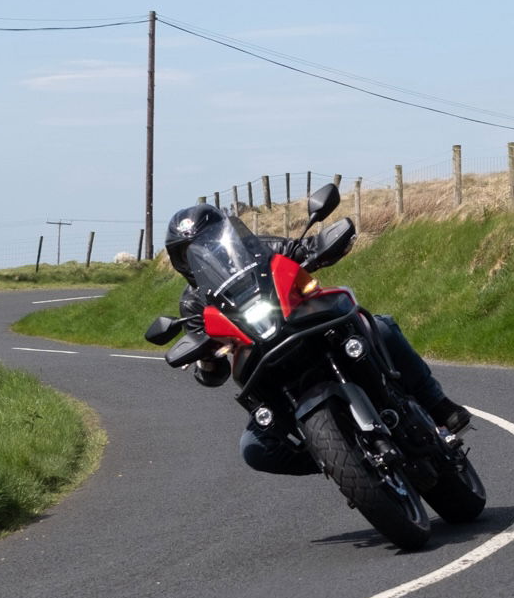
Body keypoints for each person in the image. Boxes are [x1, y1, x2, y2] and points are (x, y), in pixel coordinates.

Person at [164, 202, 470, 476]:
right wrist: (205, 357)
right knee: (254, 447)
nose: (205, 252)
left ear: (226, 234)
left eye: (210, 241)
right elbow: (213, 373)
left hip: (308, 328)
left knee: (381, 327)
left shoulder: (261, 250)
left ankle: (438, 404)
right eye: (189, 250)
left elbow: (304, 250)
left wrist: (322, 248)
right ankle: (340, 460)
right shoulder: (193, 305)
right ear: (180, 261)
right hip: (267, 367)